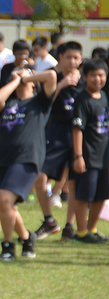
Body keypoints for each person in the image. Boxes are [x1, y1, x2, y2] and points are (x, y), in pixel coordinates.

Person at [0, 66, 57, 261]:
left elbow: (51, 75)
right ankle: (28, 238)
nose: (20, 74)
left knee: (4, 199)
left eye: (25, 72)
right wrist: (15, 81)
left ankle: (8, 246)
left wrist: (27, 77)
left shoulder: (40, 101)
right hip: (2, 159)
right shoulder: (9, 102)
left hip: (27, 158)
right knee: (7, 205)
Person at [33, 42, 84, 242]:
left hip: (78, 133)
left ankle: (69, 227)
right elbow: (41, 104)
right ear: (60, 57)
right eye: (69, 57)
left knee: (73, 182)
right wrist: (61, 85)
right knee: (39, 178)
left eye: (77, 58)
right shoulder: (50, 74)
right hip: (54, 132)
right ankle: (49, 220)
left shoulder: (85, 78)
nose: (73, 61)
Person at [71, 59, 109, 244]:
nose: (97, 79)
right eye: (93, 75)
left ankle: (92, 228)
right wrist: (78, 156)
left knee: (101, 194)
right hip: (88, 156)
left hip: (104, 156)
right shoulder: (81, 99)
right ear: (85, 77)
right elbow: (77, 129)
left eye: (101, 75)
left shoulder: (103, 96)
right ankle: (80, 232)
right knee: (84, 195)